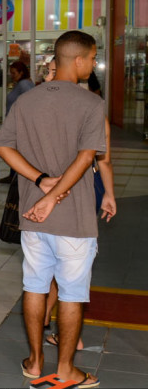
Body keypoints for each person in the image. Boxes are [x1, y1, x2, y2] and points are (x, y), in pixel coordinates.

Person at [0, 30, 105, 389]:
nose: (92, 63)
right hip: (74, 219)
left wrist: (41, 181)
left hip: (32, 218)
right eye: (91, 57)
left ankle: (35, 360)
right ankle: (67, 369)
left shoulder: (26, 100)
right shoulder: (90, 104)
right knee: (72, 293)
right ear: (78, 60)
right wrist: (54, 193)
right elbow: (87, 157)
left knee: (35, 286)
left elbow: (3, 148)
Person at [42, 59, 117, 350]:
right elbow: (104, 160)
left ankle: (61, 327)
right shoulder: (95, 110)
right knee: (72, 263)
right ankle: (60, 324)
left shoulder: (44, 106)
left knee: (53, 261)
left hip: (52, 188)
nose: (49, 77)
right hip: (86, 190)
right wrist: (109, 194)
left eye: (51, 71)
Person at [1, 61, 35, 182]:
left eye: (14, 73)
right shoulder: (20, 84)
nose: (12, 76)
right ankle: (13, 175)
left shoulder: (24, 84)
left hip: (20, 124)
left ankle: (16, 175)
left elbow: (31, 103)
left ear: (21, 72)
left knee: (16, 150)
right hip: (16, 123)